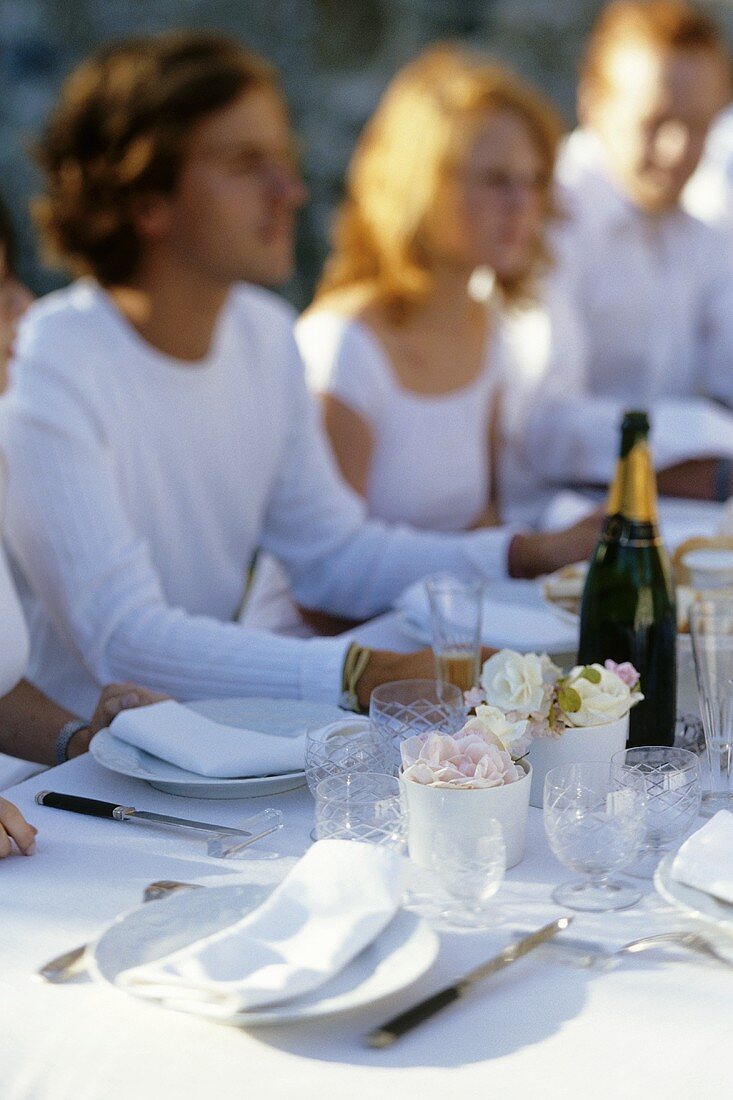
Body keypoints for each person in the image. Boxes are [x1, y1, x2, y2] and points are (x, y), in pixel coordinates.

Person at [1, 33, 597, 722]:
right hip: (70, 790)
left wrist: (526, 552)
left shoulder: (261, 331)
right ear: (147, 199)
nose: (289, 191)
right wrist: (359, 671)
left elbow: (333, 550)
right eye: (246, 164)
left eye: (282, 160)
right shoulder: (48, 363)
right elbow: (123, 638)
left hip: (212, 746)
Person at [298, 44, 561, 531]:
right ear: (418, 184)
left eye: (535, 180)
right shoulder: (342, 347)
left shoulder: (487, 322)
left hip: (445, 608)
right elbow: (325, 587)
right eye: (494, 179)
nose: (522, 204)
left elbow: (477, 520)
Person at [538, 0, 733, 498]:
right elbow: (544, 429)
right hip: (560, 522)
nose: (677, 150)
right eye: (655, 122)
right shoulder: (542, 221)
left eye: (699, 126)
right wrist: (712, 451)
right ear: (591, 104)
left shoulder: (699, 223)